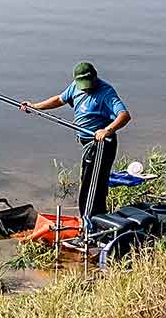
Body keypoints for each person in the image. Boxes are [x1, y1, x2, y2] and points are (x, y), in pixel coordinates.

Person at [20, 62, 131, 219]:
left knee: (91, 186)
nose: (86, 88)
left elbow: (124, 115)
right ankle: (93, 219)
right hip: (88, 144)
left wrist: (107, 130)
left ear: (95, 78)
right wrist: (35, 106)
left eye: (89, 84)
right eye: (83, 85)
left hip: (101, 145)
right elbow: (59, 99)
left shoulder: (106, 93)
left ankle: (91, 221)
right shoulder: (75, 87)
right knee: (89, 181)